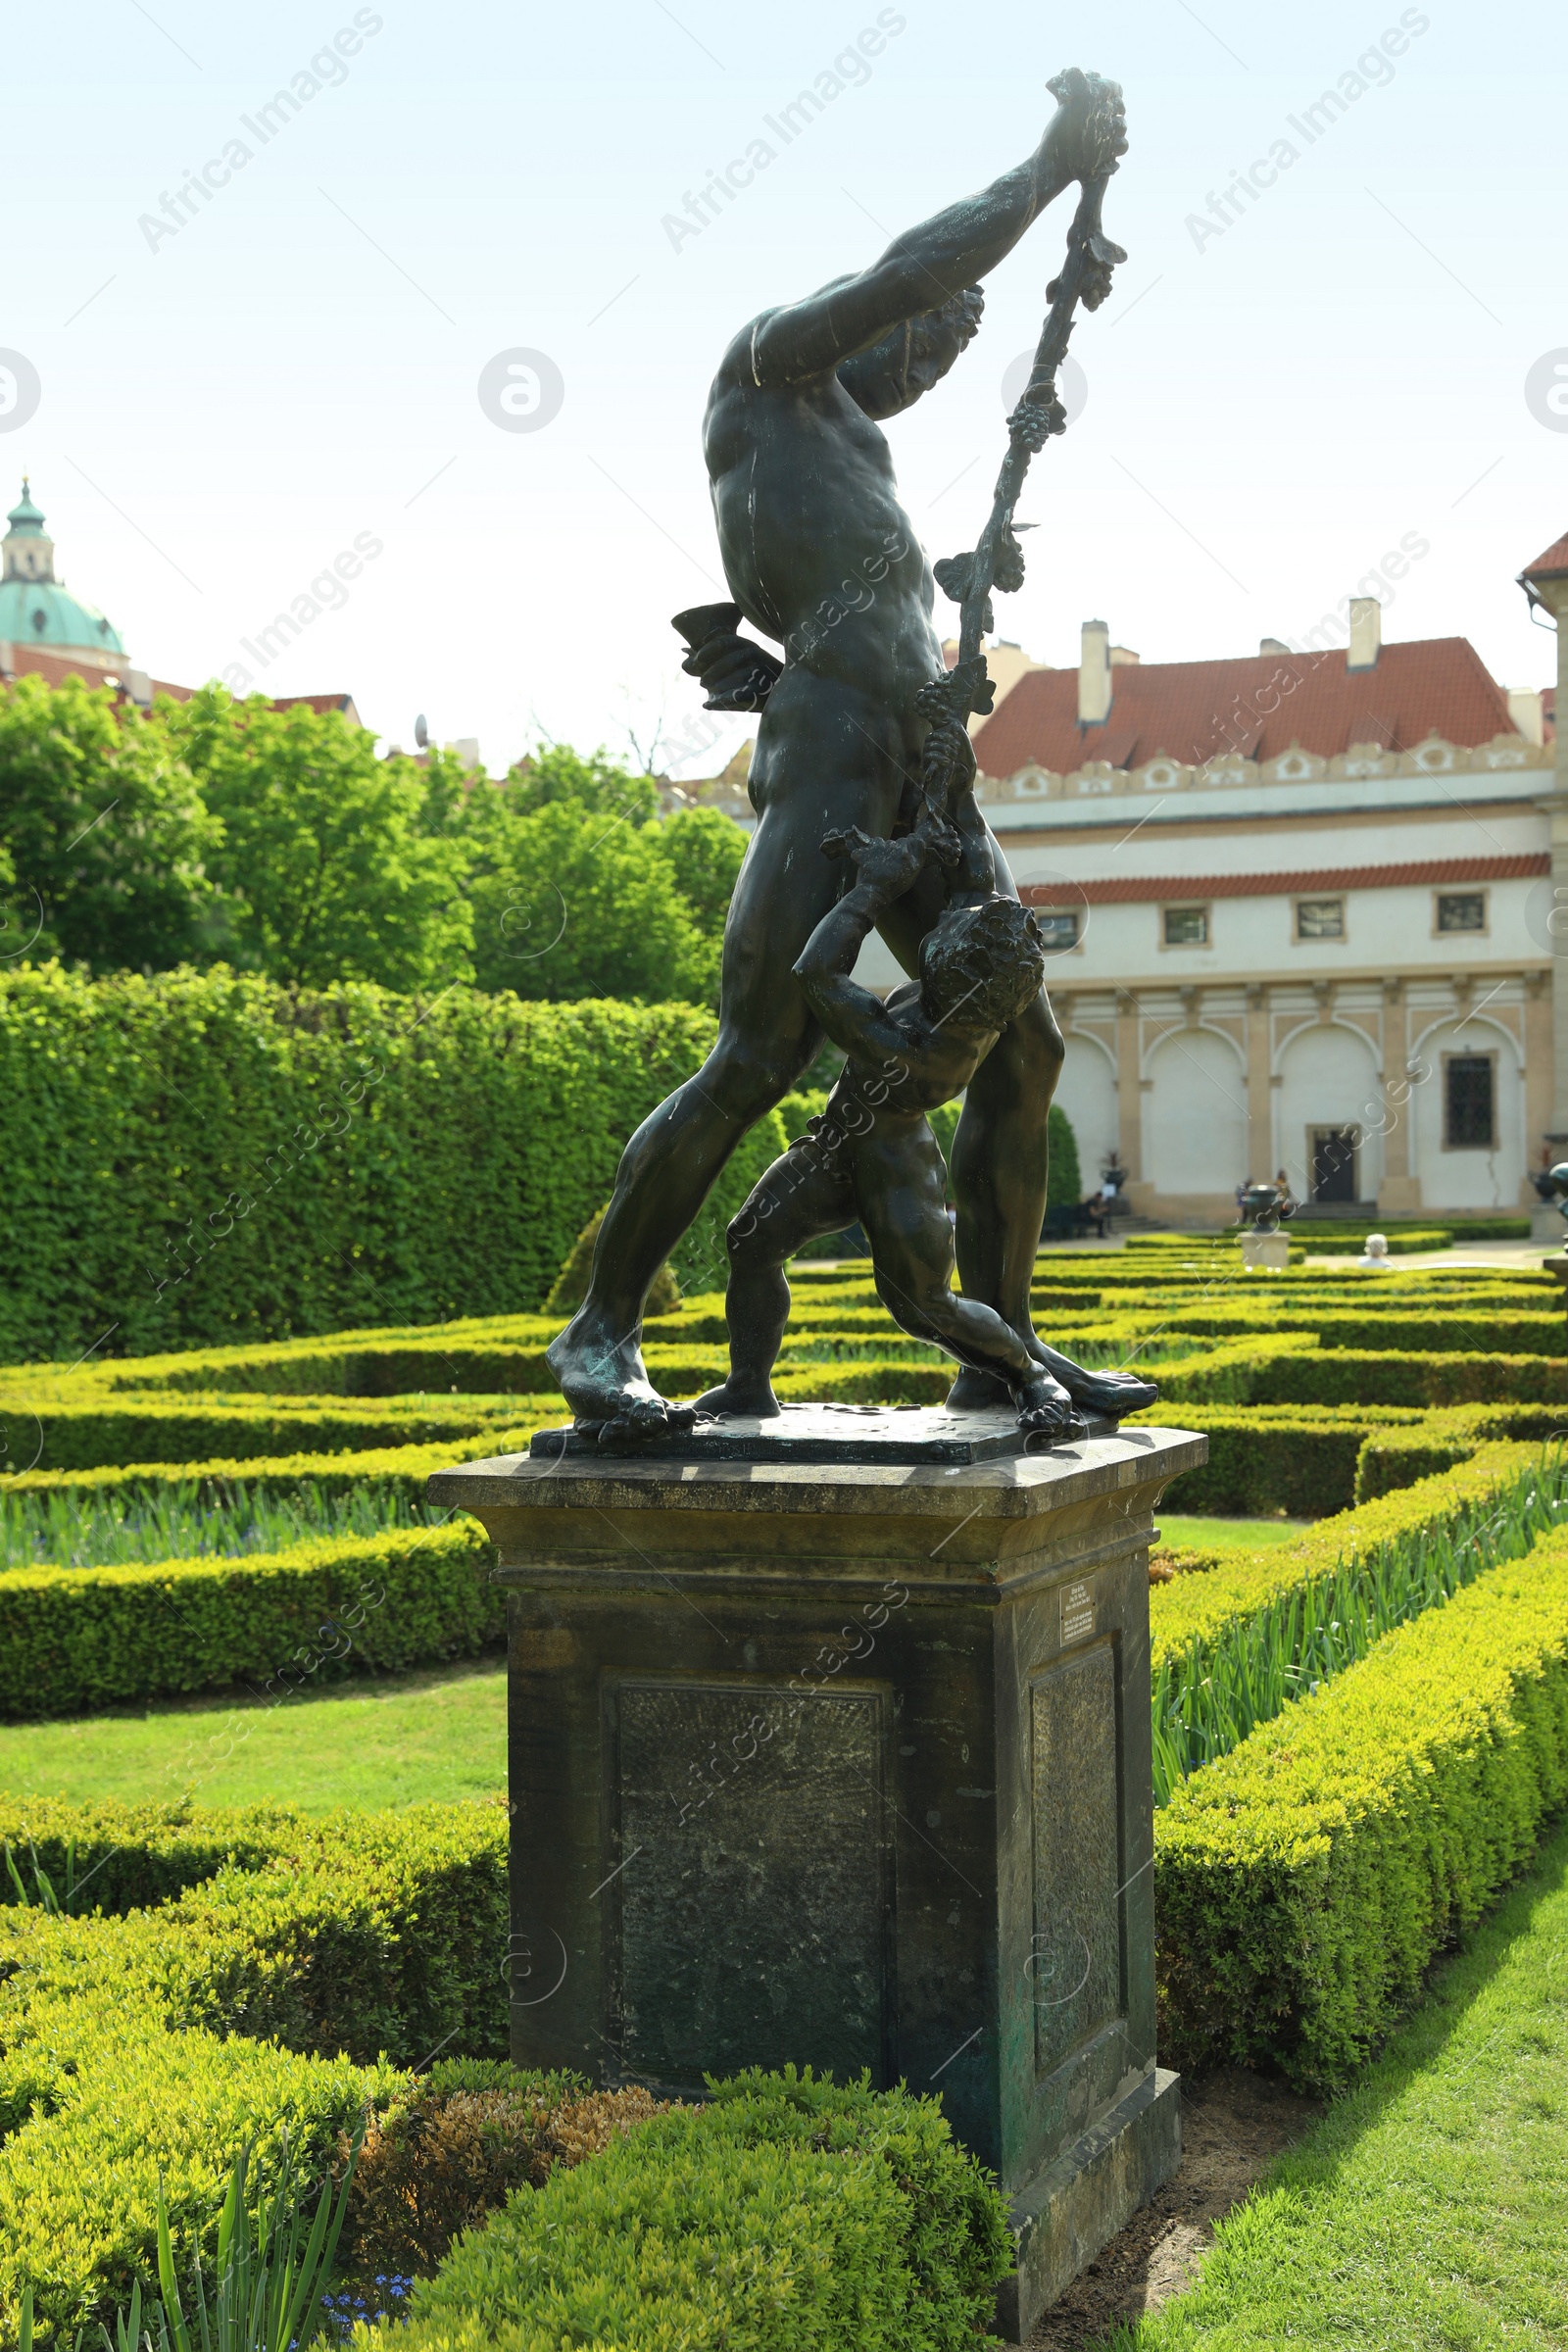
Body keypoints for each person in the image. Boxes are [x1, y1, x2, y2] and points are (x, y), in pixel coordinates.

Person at [548, 75, 1143, 1441]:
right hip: (821, 744)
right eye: (931, 333)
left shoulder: (860, 451)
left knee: (1026, 1041)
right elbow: (912, 264)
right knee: (755, 1053)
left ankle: (1000, 1358)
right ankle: (599, 1330)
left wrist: (960, 592)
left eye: (952, 353)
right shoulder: (773, 363)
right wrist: (1051, 172)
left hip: (925, 758)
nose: (932, 359)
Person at [695, 815, 1157, 1432]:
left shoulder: (926, 1049)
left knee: (924, 1306)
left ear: (955, 977)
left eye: (947, 943)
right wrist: (927, 821)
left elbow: (816, 973)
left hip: (894, 1169)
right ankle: (748, 1387)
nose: (938, 935)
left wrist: (872, 888)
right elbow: (972, 890)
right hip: (837, 1142)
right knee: (751, 1241)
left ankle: (1031, 1379)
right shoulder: (967, 984)